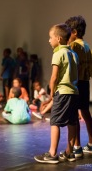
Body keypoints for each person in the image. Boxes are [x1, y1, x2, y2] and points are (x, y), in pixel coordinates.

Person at [34, 23, 79, 164]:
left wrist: (52, 94)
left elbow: (54, 77)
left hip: (63, 92)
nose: (49, 40)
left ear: (58, 39)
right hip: (74, 92)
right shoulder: (73, 53)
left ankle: (52, 153)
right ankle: (69, 152)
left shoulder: (58, 53)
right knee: (72, 122)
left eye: (50, 37)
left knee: (55, 122)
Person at [65, 16, 92, 157]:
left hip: (76, 83)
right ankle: (91, 144)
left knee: (74, 115)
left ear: (74, 32)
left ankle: (77, 147)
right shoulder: (87, 46)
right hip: (85, 83)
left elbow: (70, 65)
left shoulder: (74, 46)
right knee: (86, 113)